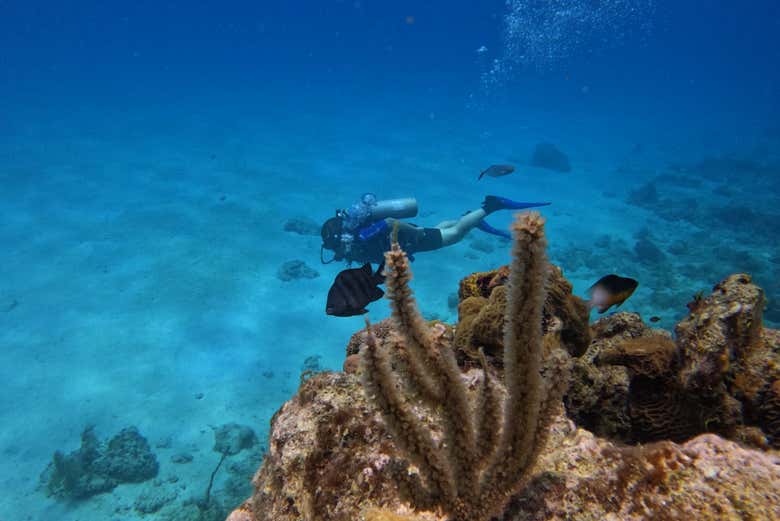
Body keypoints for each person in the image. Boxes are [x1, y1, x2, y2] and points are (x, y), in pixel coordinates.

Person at [320, 193, 550, 265]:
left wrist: (415, 233)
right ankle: (471, 218)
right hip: (407, 237)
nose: (336, 253)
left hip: (410, 238)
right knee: (442, 230)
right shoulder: (356, 240)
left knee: (456, 235)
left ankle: (491, 206)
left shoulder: (360, 236)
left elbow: (389, 223)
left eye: (334, 248)